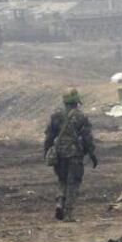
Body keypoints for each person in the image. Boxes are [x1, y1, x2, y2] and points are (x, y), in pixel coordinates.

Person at [43, 89, 97, 221]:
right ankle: (68, 214)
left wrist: (46, 152)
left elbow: (49, 137)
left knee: (62, 180)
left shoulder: (56, 116)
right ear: (76, 102)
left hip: (59, 154)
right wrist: (92, 154)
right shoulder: (81, 117)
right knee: (73, 182)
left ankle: (60, 202)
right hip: (75, 155)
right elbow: (87, 138)